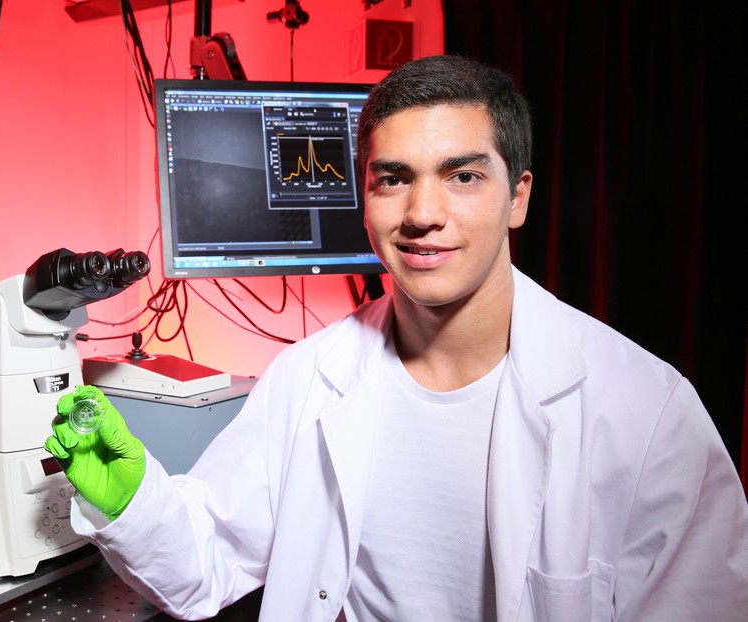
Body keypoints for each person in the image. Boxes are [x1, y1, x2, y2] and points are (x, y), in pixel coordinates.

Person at [44, 55, 748, 621]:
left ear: (519, 197)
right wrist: (131, 502)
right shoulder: (306, 377)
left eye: (462, 176)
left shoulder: (646, 410)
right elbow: (207, 563)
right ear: (364, 196)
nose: (422, 214)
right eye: (392, 180)